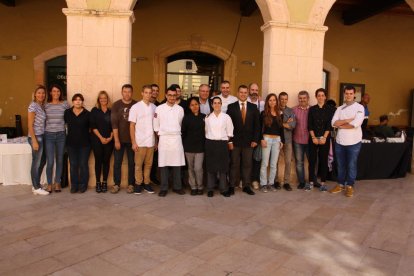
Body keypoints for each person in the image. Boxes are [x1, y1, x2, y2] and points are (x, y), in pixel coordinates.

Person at [330, 85, 365, 197]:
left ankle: (349, 186)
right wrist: (347, 120)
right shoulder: (339, 108)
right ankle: (340, 185)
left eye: (350, 93)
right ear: (344, 94)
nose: (348, 95)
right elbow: (333, 123)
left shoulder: (359, 108)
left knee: (351, 165)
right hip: (340, 142)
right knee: (340, 165)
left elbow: (356, 124)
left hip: (354, 142)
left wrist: (341, 125)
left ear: (354, 95)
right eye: (346, 93)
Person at [227, 85, 260, 195]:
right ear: (237, 93)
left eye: (245, 92)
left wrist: (255, 139)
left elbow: (257, 126)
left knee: (247, 164)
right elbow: (228, 125)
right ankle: (232, 185)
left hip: (249, 142)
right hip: (235, 142)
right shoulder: (231, 107)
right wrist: (230, 141)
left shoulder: (253, 107)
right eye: (241, 92)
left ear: (247, 94)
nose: (243, 94)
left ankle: (246, 185)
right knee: (234, 164)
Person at [153, 87, 186, 197]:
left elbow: (181, 125)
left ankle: (177, 187)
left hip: (176, 138)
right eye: (170, 95)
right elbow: (156, 126)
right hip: (164, 139)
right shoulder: (159, 109)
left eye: (174, 95)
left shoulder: (180, 109)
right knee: (164, 164)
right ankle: (164, 187)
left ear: (177, 96)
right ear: (166, 95)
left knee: (177, 164)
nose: (172, 97)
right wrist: (161, 136)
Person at [129, 85, 157, 195]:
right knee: (138, 165)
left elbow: (156, 126)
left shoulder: (154, 107)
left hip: (151, 141)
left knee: (149, 164)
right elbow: (132, 125)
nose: (148, 94)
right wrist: (133, 142)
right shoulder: (135, 107)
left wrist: (156, 141)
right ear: (142, 93)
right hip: (139, 141)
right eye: (146, 92)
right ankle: (138, 184)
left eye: (150, 93)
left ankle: (146, 183)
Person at [205, 97, 234, 197]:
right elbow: (205, 131)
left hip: (222, 144)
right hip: (210, 143)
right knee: (210, 167)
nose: (217, 105)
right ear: (212, 105)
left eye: (219, 103)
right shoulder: (207, 117)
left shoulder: (226, 117)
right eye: (215, 103)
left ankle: (223, 188)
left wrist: (225, 141)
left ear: (221, 104)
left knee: (223, 167)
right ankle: (210, 188)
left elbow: (230, 132)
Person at [111, 84, 137, 194]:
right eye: (125, 91)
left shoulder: (136, 104)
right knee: (117, 162)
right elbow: (114, 124)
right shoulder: (116, 105)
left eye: (129, 91)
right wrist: (116, 140)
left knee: (132, 163)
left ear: (132, 92)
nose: (127, 94)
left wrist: (135, 141)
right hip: (120, 140)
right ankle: (116, 184)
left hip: (132, 140)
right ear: (122, 92)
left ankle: (131, 184)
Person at [307, 88, 334, 192]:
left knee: (323, 161)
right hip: (313, 138)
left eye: (322, 95)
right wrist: (313, 137)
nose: (321, 97)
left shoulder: (329, 110)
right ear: (316, 97)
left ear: (325, 97)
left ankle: (323, 183)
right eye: (319, 95)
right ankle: (311, 182)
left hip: (324, 139)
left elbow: (329, 125)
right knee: (312, 161)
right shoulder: (312, 109)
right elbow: (310, 125)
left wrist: (324, 137)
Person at [44, 84, 70, 193]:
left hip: (61, 135)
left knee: (60, 160)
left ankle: (57, 182)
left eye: (58, 91)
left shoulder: (65, 105)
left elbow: (69, 118)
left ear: (60, 93)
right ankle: (49, 183)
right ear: (50, 93)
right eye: (54, 91)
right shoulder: (46, 106)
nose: (56, 93)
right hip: (49, 135)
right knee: (50, 161)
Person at [64, 93, 91, 193]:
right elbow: (64, 126)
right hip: (71, 144)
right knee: (73, 165)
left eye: (80, 100)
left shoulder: (87, 114)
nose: (78, 101)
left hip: (85, 144)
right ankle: (74, 185)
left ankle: (83, 185)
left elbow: (91, 129)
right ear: (73, 101)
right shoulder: (67, 113)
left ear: (82, 101)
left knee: (83, 164)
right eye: (75, 99)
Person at [259, 93, 285, 193]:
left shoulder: (280, 114)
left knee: (274, 164)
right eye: (270, 100)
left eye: (274, 100)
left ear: (276, 101)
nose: (272, 102)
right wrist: (261, 139)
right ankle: (263, 184)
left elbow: (281, 129)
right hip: (267, 139)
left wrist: (282, 141)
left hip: (277, 140)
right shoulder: (263, 113)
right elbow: (260, 128)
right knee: (265, 163)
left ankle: (271, 183)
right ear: (267, 102)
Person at [90, 91, 113, 193]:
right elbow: (93, 126)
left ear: (107, 99)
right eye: (101, 98)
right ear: (98, 100)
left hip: (109, 140)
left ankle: (105, 182)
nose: (103, 100)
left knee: (106, 161)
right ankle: (98, 183)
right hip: (97, 140)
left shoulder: (111, 111)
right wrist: (101, 138)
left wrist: (111, 137)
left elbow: (114, 126)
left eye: (105, 98)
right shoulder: (94, 111)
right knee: (98, 161)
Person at [27, 85, 49, 195]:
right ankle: (36, 187)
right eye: (39, 93)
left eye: (43, 93)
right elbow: (30, 125)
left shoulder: (41, 105)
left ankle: (36, 184)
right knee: (36, 162)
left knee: (43, 160)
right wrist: (34, 140)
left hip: (42, 135)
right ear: (35, 94)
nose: (41, 95)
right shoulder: (33, 106)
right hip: (36, 137)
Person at [182, 97, 206, 195]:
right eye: (192, 105)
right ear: (189, 107)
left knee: (198, 168)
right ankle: (193, 187)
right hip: (188, 147)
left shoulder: (205, 117)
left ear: (199, 105)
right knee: (190, 168)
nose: (195, 106)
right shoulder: (186, 117)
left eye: (196, 104)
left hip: (200, 147)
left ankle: (200, 186)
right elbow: (183, 132)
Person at [276, 92, 296, 191]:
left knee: (288, 161)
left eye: (285, 99)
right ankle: (276, 181)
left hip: (287, 140)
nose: (283, 101)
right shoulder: (274, 110)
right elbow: (274, 125)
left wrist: (281, 123)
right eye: (281, 99)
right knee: (275, 161)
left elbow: (292, 125)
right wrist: (284, 122)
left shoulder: (290, 111)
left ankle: (286, 182)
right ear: (279, 100)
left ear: (287, 100)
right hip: (277, 140)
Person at [247, 83, 265, 190]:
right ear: (249, 90)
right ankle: (245, 180)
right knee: (246, 159)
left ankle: (254, 180)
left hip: (258, 135)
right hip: (247, 136)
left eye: (256, 90)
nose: (254, 92)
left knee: (257, 159)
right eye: (252, 89)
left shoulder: (262, 104)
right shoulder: (245, 102)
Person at [293, 91, 310, 189]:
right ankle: (302, 182)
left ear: (308, 98)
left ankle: (313, 180)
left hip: (310, 141)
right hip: (297, 140)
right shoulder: (294, 110)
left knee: (312, 162)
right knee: (299, 163)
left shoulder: (312, 109)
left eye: (304, 98)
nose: (302, 100)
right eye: (300, 98)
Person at [150, 83, 160, 185]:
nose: (155, 92)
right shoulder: (143, 104)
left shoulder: (159, 105)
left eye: (157, 91)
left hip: (155, 137)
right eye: (153, 90)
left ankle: (152, 177)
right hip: (143, 137)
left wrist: (157, 140)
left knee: (154, 160)